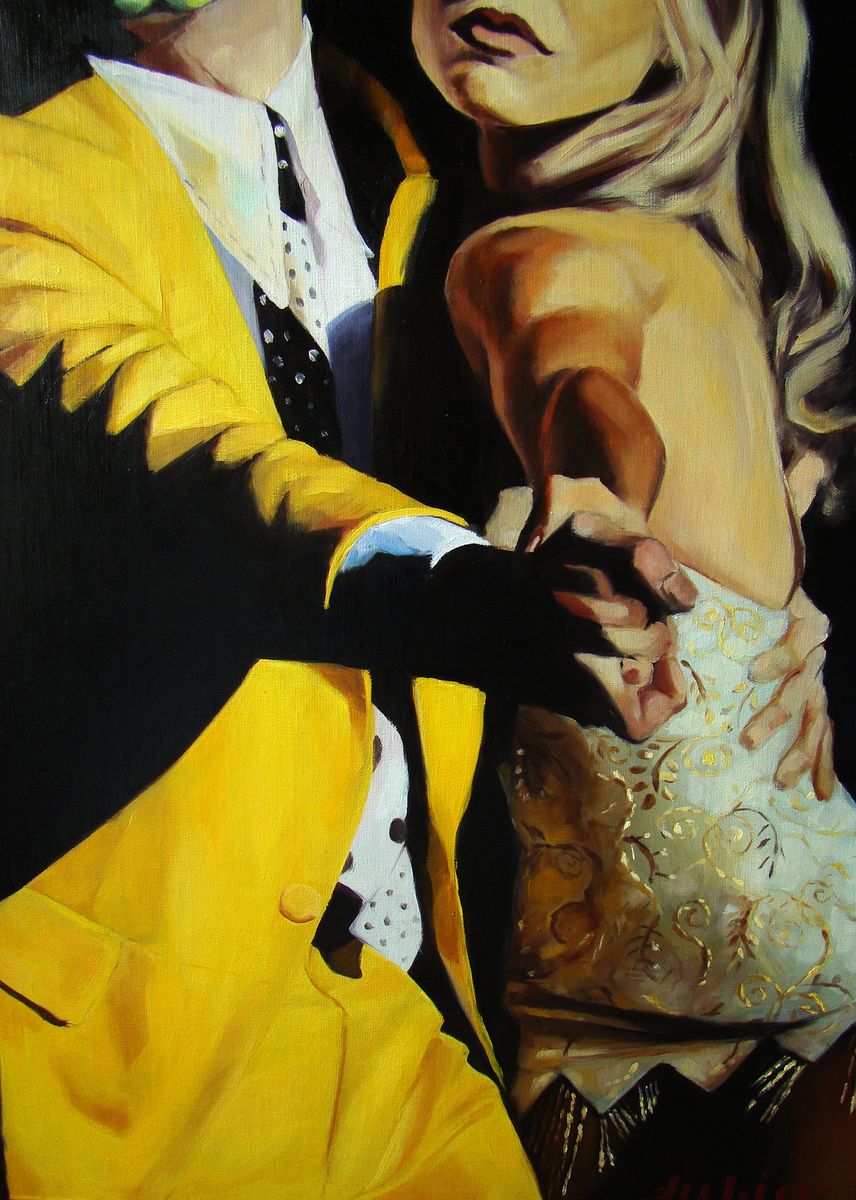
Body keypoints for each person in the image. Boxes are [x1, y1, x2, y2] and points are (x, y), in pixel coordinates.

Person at [0, 0, 712, 1194]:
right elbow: (184, 460)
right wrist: (463, 588)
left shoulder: (437, 130)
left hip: (407, 1032)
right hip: (104, 1068)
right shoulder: (20, 151)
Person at [412, 0, 856, 1195]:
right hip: (747, 993)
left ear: (694, 24)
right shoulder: (697, 262)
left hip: (668, 1043)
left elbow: (575, 369)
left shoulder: (535, 250)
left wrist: (594, 496)